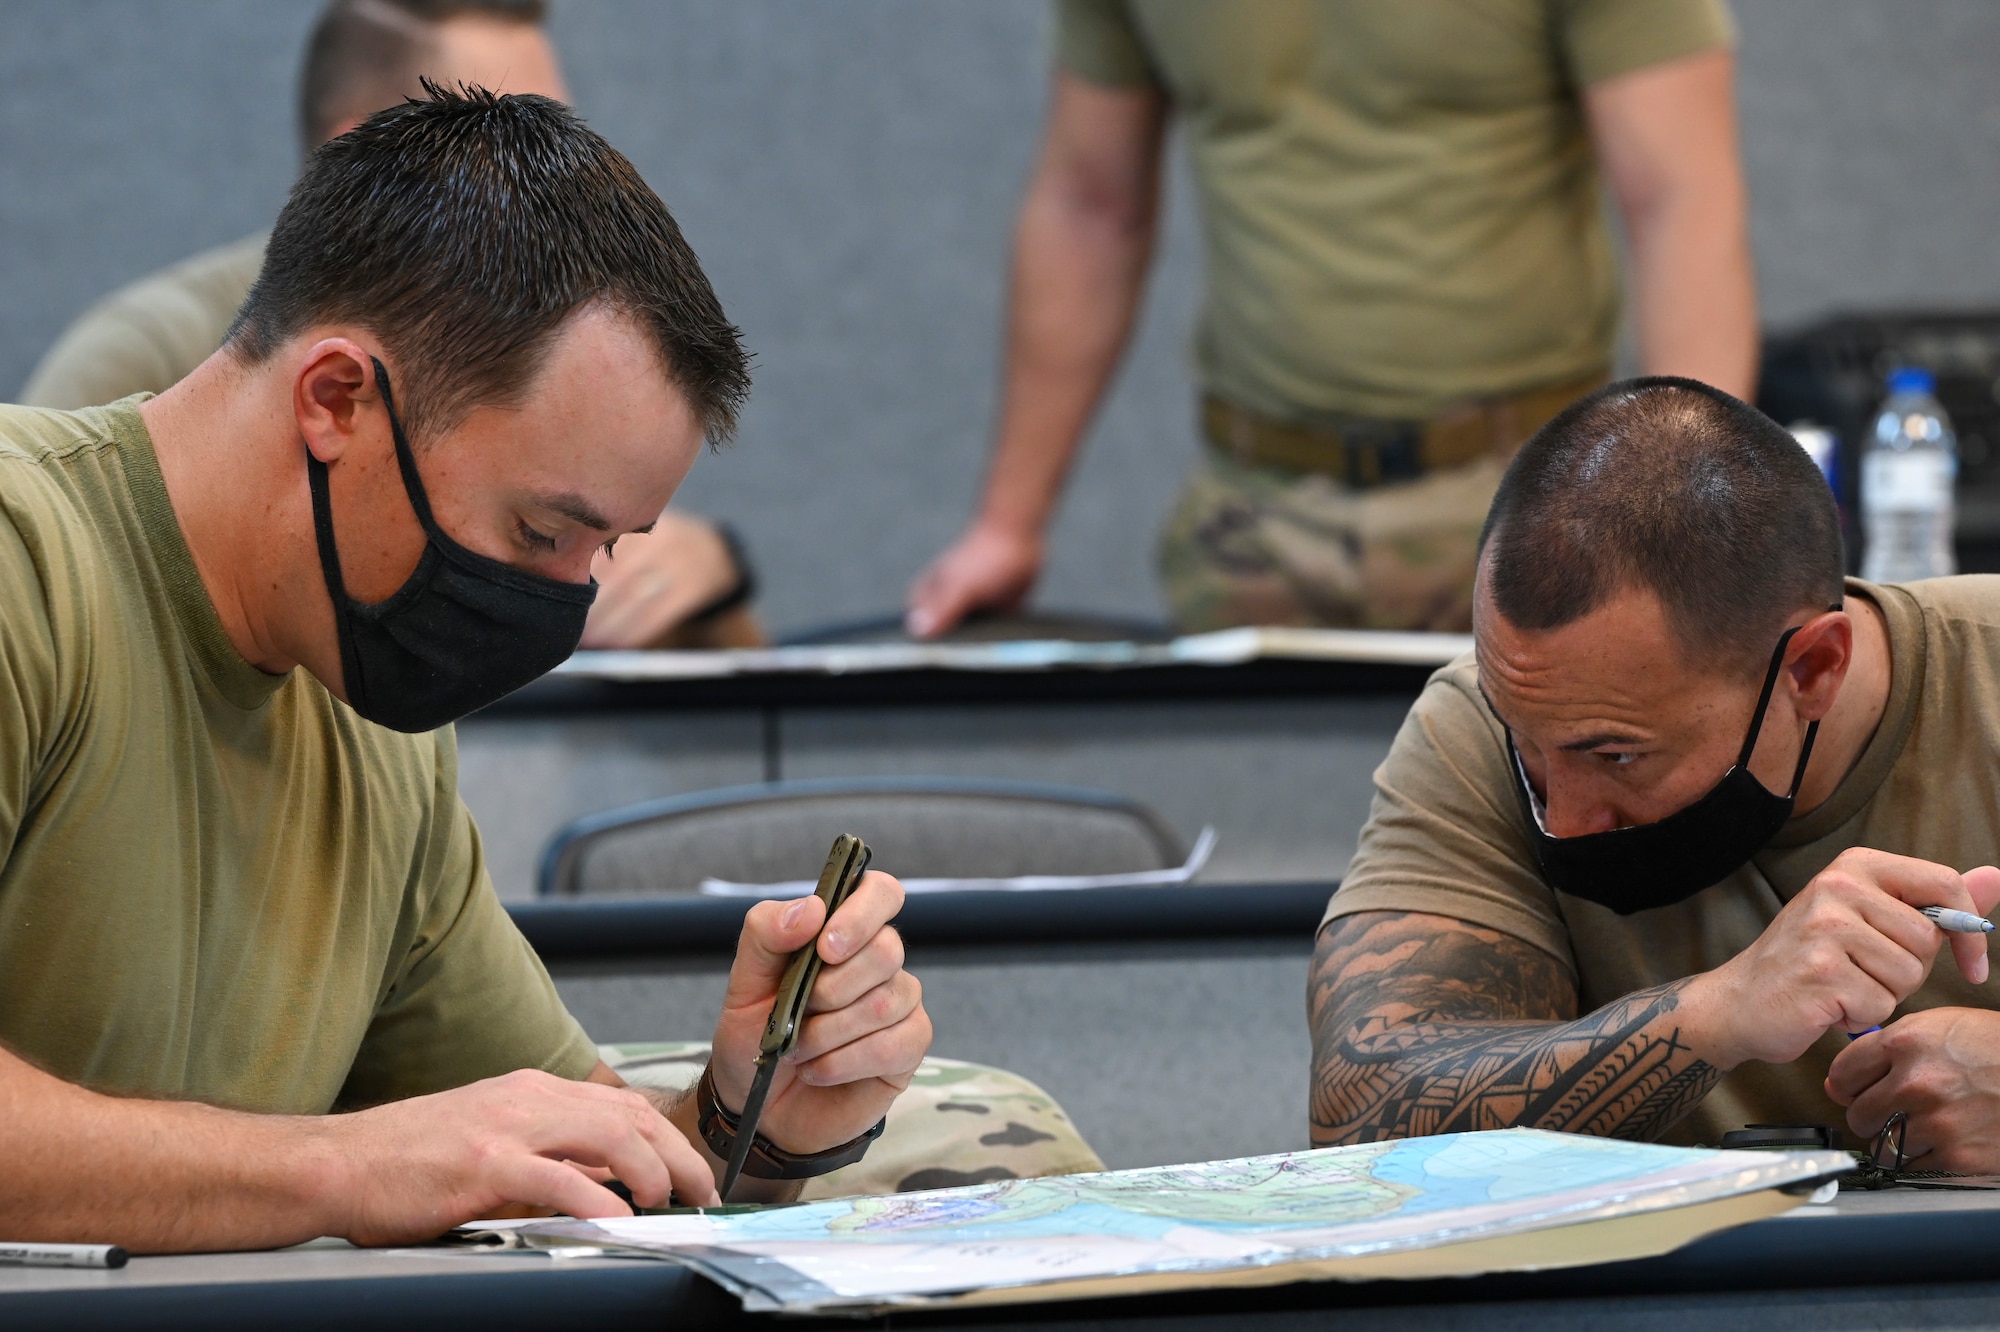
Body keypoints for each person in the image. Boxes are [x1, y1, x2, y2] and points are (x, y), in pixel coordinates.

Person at [0, 87, 932, 1252]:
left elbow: (563, 1166)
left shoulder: (373, 719)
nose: (564, 604)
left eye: (606, 551)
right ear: (337, 398)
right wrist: (339, 1167)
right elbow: (385, 1167)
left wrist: (755, 1118)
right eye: (541, 535)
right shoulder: (25, 562)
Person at [1308, 377, 2000, 1169]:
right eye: (1529, 749)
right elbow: (1359, 1114)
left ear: (1812, 669)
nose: (1561, 820)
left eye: (1617, 756)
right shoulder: (1479, 720)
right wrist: (1719, 1013)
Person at [907, 0, 1756, 639]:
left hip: (1522, 506)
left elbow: (1680, 201)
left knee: (1528, 857)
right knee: (1247, 860)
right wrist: (1007, 524)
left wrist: (1685, 520)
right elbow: (1089, 207)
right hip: (1253, 520)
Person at [19, 0, 759, 651]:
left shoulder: (382, 717)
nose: (556, 184)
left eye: (558, 136)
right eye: (496, 137)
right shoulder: (143, 356)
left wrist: (710, 576)